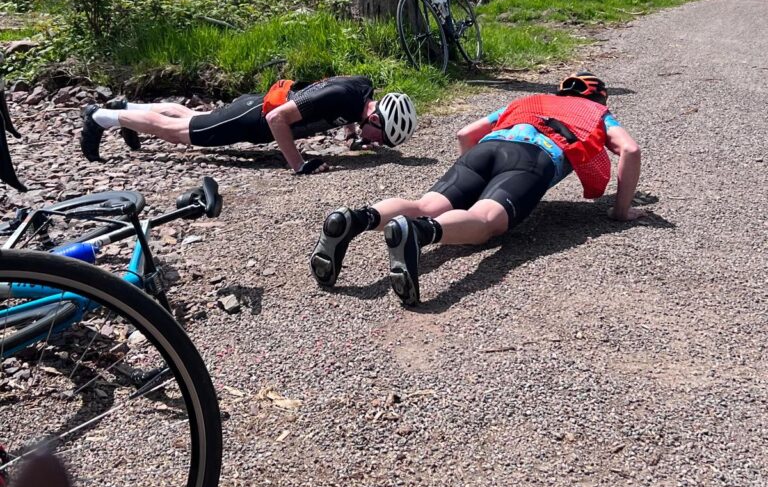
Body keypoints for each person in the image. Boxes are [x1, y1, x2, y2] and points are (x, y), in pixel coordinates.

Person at [310, 72, 643, 305]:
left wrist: (475, 183)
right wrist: (621, 210)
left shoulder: (531, 100)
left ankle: (358, 218)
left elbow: (465, 134)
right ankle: (421, 234)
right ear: (600, 97)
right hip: (535, 158)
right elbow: (629, 150)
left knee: (426, 204)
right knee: (485, 223)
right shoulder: (598, 112)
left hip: (488, 147)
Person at [79, 76, 417, 173]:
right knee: (180, 134)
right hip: (253, 117)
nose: (378, 144)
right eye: (381, 138)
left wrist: (352, 135)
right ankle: (101, 118)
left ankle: (128, 109)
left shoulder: (361, 93)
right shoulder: (345, 98)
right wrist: (298, 164)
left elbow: (338, 101)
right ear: (374, 117)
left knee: (189, 117)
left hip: (254, 106)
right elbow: (276, 119)